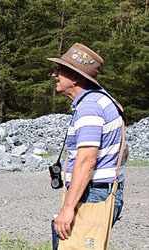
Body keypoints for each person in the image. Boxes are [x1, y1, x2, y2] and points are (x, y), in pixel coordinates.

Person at [46, 43, 126, 249]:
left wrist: (68, 208)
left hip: (92, 193)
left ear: (74, 77)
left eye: (60, 70)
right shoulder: (102, 100)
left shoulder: (89, 108)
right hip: (99, 191)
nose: (54, 75)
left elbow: (87, 160)